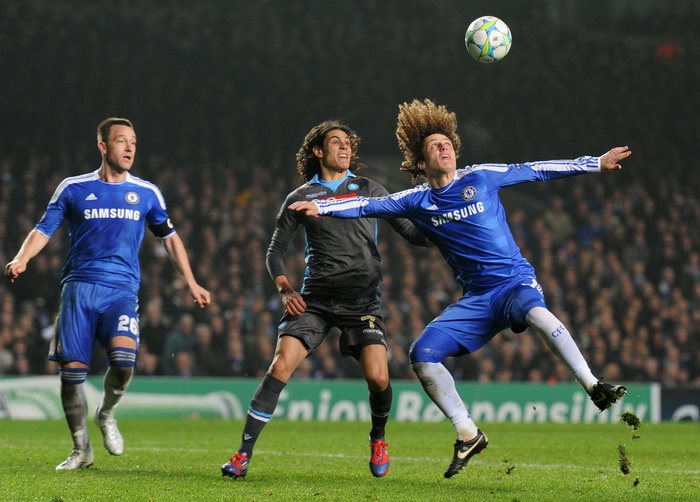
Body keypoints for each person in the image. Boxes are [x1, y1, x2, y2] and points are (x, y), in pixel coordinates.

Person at [289, 99, 631, 479]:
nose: (445, 148)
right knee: (422, 354)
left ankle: (593, 385)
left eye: (447, 143)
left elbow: (535, 170)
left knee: (536, 312)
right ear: (421, 164)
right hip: (477, 300)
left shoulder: (480, 177)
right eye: (435, 146)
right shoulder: (416, 200)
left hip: (513, 283)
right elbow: (368, 204)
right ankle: (468, 432)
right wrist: (323, 208)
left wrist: (595, 163)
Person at [221, 120, 431, 479]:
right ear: (318, 151)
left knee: (378, 378)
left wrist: (448, 230)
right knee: (280, 366)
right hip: (315, 300)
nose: (345, 146)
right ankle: (242, 454)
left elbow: (410, 232)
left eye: (348, 142)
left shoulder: (369, 189)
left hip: (362, 302)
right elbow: (275, 252)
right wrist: (286, 290)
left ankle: (378, 438)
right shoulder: (300, 197)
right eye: (336, 141)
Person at [4, 117, 211, 470]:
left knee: (124, 362)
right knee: (72, 371)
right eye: (121, 141)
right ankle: (81, 449)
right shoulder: (73, 188)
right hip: (78, 288)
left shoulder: (146, 192)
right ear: (103, 146)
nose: (130, 147)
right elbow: (44, 228)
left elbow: (170, 238)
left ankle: (106, 412)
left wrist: (191, 281)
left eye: (134, 141)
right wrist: (23, 257)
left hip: (121, 291)